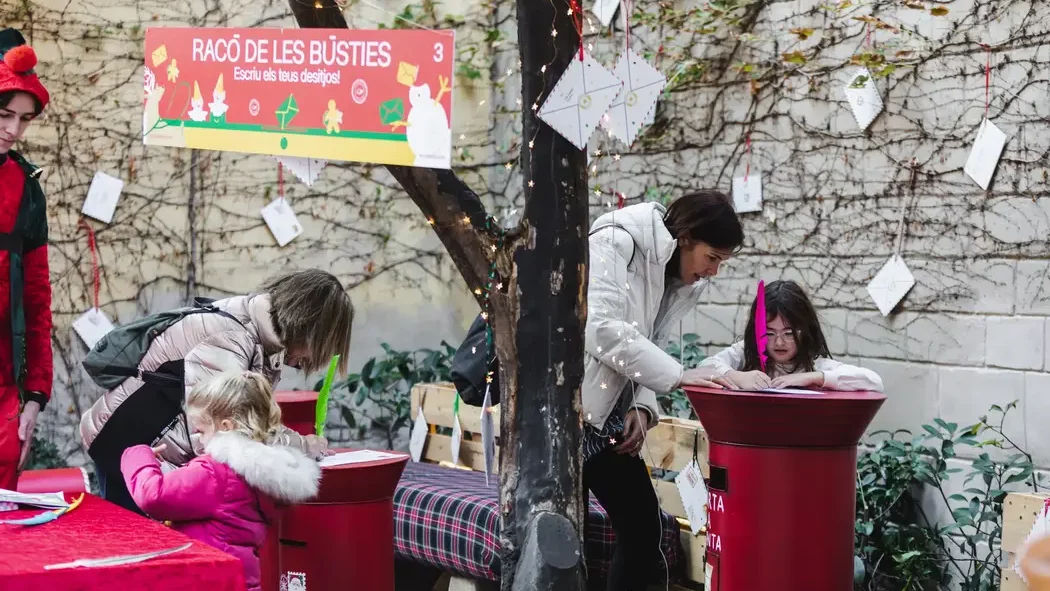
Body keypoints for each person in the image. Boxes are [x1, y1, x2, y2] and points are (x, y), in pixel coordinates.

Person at [82, 268, 353, 512]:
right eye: (317, 348)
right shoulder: (228, 337)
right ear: (306, 327)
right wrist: (303, 446)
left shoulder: (256, 336)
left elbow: (246, 421)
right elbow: (231, 431)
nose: (309, 361)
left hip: (150, 452)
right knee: (143, 554)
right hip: (131, 450)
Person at [583, 191, 744, 590]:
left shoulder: (673, 279)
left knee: (644, 530)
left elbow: (647, 342)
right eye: (713, 258)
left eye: (723, 261)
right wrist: (679, 376)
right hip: (568, 413)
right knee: (566, 533)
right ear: (686, 236)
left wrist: (641, 406)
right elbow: (600, 330)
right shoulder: (616, 240)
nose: (714, 272)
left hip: (608, 421)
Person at [121, 371, 321, 591]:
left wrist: (138, 455)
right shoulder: (261, 472)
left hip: (208, 579)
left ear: (226, 426)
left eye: (202, 431)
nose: (200, 439)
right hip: (238, 578)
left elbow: (153, 495)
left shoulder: (216, 472)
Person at [0, 29, 53, 490]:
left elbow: (37, 301)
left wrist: (34, 396)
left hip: (3, 391)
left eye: (24, 119)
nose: (12, 131)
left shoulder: (28, 189)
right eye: (3, 114)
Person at [698, 279, 883, 392]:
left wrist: (811, 378)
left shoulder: (814, 364)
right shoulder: (745, 354)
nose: (779, 342)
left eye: (789, 333)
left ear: (805, 330)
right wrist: (736, 376)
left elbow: (873, 381)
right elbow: (704, 366)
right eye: (769, 333)